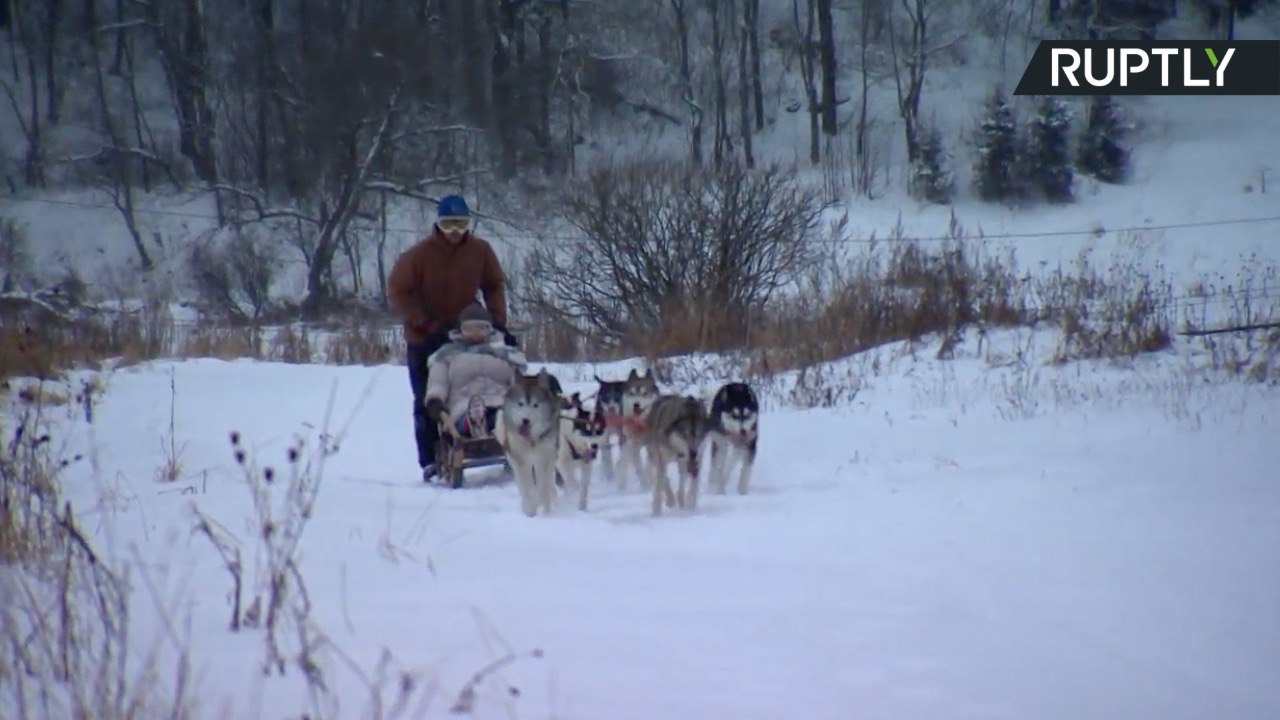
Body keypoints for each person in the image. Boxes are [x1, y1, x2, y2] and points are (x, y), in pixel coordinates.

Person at [388, 194, 513, 481]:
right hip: (425, 335)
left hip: (466, 332)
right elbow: (397, 291)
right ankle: (430, 460)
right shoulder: (418, 255)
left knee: (477, 386)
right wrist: (423, 322)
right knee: (428, 398)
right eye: (449, 224)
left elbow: (494, 284)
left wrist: (497, 322)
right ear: (438, 224)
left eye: (461, 224)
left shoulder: (480, 250)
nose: (455, 231)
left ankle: (493, 436)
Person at [422, 303, 528, 466]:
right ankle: (474, 423)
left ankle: (491, 423)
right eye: (469, 328)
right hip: (463, 403)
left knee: (504, 413)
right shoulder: (446, 355)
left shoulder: (504, 353)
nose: (475, 333)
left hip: (500, 401)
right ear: (461, 330)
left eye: (481, 327)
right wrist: (435, 401)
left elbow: (515, 382)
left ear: (489, 329)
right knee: (472, 414)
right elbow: (438, 382)